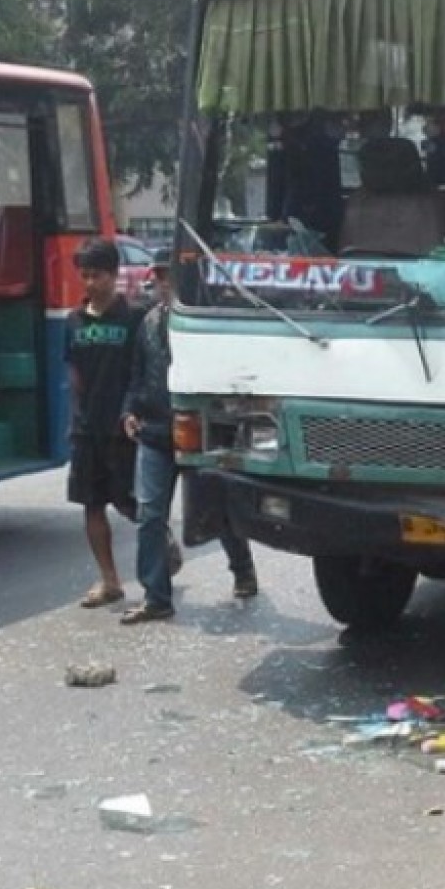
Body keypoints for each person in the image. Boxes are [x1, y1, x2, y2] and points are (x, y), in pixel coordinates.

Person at [119, 260, 258, 624]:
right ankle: (156, 596)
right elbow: (135, 375)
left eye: (170, 278)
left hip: (198, 431)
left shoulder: (205, 323)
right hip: (154, 432)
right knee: (150, 516)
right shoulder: (147, 324)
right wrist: (129, 411)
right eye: (159, 279)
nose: (164, 285)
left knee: (215, 508)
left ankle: (242, 569)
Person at [64, 237, 144, 608]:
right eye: (85, 276)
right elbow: (75, 373)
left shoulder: (134, 319)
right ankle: (110, 580)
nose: (90, 283)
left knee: (132, 503)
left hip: (122, 428)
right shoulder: (74, 321)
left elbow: (140, 373)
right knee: (92, 505)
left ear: (114, 276)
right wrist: (78, 417)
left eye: (97, 275)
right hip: (86, 430)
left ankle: (162, 552)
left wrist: (132, 411)